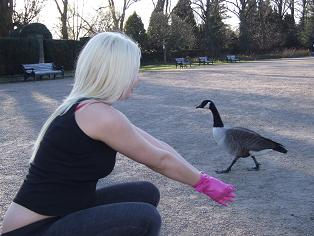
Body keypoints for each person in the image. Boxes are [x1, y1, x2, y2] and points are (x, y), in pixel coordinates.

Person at [1, 32, 236, 236]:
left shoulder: (91, 108)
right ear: (116, 72)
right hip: (33, 231)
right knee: (144, 218)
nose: (138, 78)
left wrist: (201, 177)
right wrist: (203, 184)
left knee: (145, 193)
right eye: (133, 70)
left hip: (63, 214)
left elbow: (159, 146)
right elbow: (160, 162)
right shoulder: (99, 115)